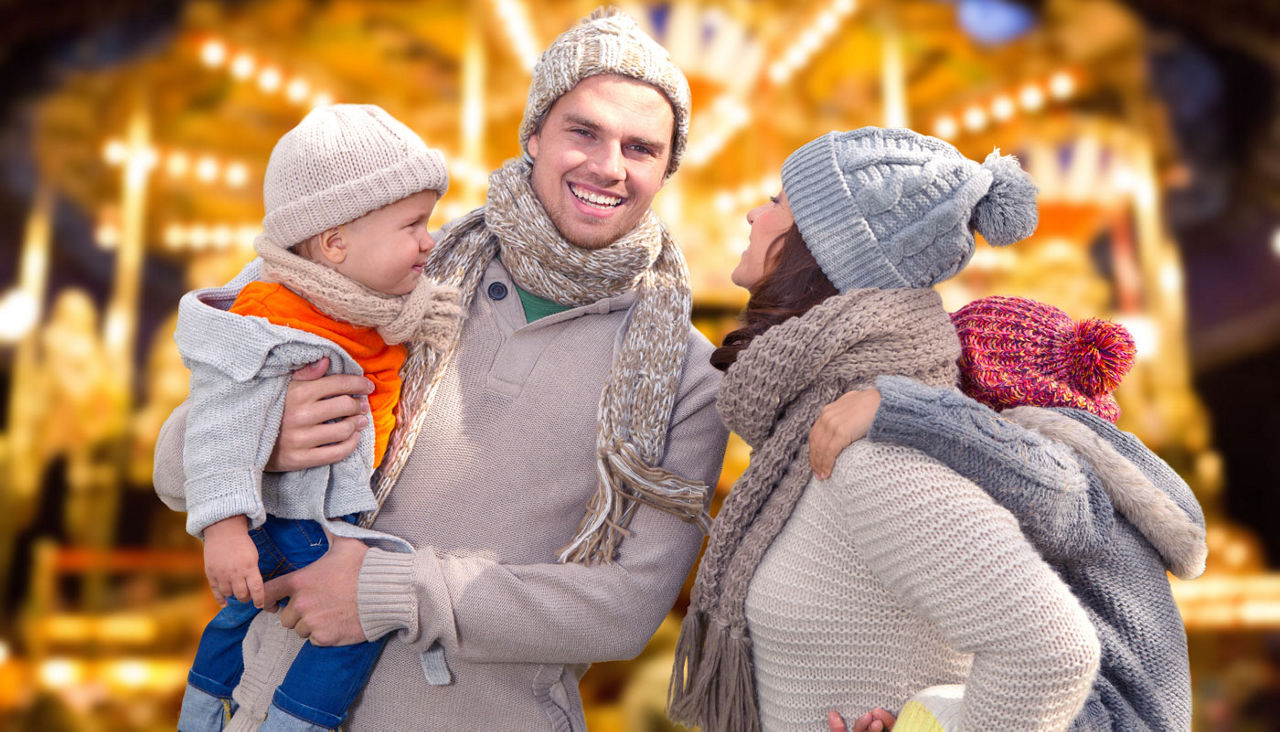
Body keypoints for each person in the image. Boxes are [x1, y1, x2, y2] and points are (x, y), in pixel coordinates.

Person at [153, 9, 730, 730]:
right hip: (275, 694)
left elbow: (623, 610)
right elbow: (176, 473)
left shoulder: (688, 377)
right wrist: (266, 437)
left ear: (664, 171)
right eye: (583, 131)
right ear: (533, 136)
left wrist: (392, 590)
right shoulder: (385, 271)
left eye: (641, 147)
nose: (608, 165)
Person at [667, 127, 1101, 732]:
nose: (752, 213)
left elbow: (1052, 651)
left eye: (776, 202)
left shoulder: (869, 451)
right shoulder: (817, 428)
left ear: (820, 248)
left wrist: (937, 726)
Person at [164, 104, 462, 730]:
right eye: (413, 225)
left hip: (316, 501)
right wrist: (224, 528)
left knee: (244, 608)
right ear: (334, 243)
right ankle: (300, 720)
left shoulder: (367, 305)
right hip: (298, 509)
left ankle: (203, 704)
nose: (430, 241)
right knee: (353, 621)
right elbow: (220, 422)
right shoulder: (275, 323)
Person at [810, 295, 1207, 731]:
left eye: (950, 388)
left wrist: (906, 408)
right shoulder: (1108, 467)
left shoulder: (1066, 462)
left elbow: (1050, 483)